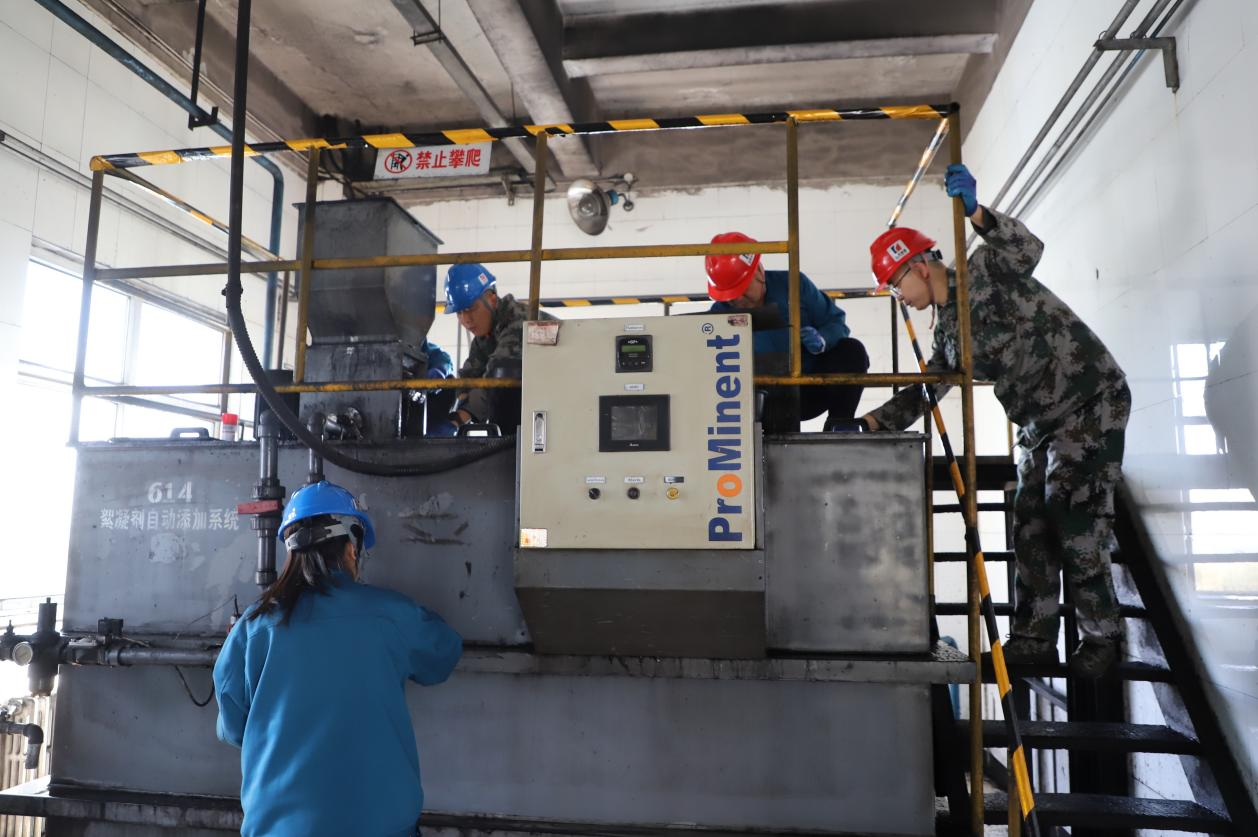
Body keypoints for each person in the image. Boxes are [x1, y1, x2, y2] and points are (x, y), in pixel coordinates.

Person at [858, 163, 1130, 678]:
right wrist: (870, 425)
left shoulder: (984, 268)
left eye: (895, 284)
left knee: (1071, 511)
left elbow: (1029, 249)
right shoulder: (947, 335)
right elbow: (928, 389)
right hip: (1039, 424)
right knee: (1029, 521)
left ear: (918, 266)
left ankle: (1103, 638)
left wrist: (978, 213)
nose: (899, 297)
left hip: (1088, 398)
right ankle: (1033, 639)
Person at [213, 480, 462, 836]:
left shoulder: (253, 626)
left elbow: (234, 728)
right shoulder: (393, 615)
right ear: (351, 547)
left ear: (290, 552)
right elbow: (443, 656)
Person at [706, 232, 870, 429]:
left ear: (759, 271)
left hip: (810, 387)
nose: (738, 300)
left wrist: (823, 339)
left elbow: (836, 323)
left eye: (742, 290)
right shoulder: (718, 315)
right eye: (730, 296)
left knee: (852, 351)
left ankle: (840, 426)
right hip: (760, 401)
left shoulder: (794, 285)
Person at [427, 263, 555, 437]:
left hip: (561, 403)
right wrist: (459, 398)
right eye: (459, 312)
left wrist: (458, 420)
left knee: (506, 383)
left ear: (492, 300)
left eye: (470, 309)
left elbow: (497, 377)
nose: (466, 319)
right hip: (540, 410)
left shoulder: (520, 321)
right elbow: (470, 375)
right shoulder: (484, 338)